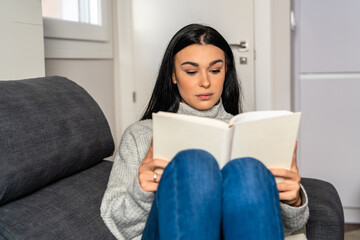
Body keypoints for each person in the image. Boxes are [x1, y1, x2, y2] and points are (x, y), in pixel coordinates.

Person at [101, 24, 309, 240]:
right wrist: (141, 191)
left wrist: (292, 201)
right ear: (173, 75)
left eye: (215, 70)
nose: (205, 82)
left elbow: (287, 227)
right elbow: (116, 223)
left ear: (225, 72)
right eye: (191, 72)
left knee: (247, 169)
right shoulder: (140, 134)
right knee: (194, 164)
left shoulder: (249, 131)